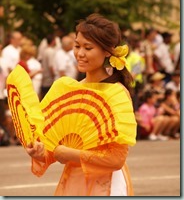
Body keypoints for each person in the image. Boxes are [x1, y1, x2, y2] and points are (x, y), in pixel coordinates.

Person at [25, 13, 137, 196]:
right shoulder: (67, 89)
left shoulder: (115, 93)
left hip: (107, 184)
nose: (80, 53)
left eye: (88, 47)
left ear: (108, 51)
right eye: (77, 46)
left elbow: (116, 158)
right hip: (73, 181)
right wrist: (40, 152)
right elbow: (55, 148)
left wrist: (69, 154)